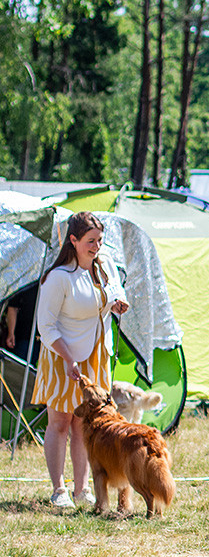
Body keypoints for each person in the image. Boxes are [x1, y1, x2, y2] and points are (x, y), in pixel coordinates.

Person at [32, 211, 129, 508]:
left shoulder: (104, 266)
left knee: (83, 425)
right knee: (60, 422)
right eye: (90, 241)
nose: (96, 246)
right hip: (63, 355)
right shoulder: (58, 278)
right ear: (72, 241)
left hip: (96, 354)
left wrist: (117, 304)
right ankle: (59, 490)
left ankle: (82, 489)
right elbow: (44, 325)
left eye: (99, 240)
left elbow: (113, 294)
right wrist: (68, 358)